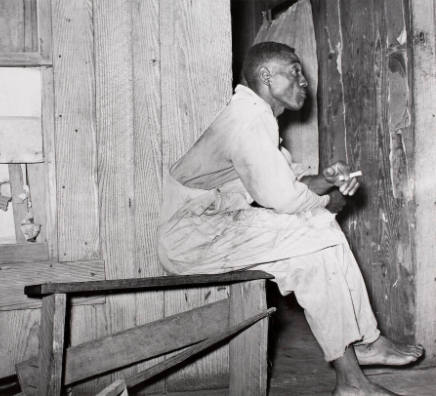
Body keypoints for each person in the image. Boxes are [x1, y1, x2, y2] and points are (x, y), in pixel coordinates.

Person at [158, 42, 424, 395]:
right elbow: (283, 199)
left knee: (312, 250)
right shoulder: (248, 122)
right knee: (317, 230)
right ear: (266, 76)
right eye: (294, 71)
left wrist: (329, 179)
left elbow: (290, 183)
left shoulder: (256, 117)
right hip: (191, 235)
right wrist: (327, 200)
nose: (305, 82)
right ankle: (360, 359)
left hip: (212, 228)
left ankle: (357, 363)